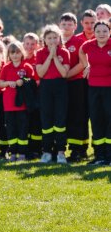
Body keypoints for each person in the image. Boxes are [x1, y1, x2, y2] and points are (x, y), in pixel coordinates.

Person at [36, 24, 70, 164]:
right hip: (45, 88)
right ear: (44, 40)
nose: (52, 40)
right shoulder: (40, 53)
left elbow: (64, 73)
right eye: (49, 38)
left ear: (59, 38)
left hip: (60, 87)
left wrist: (55, 56)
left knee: (60, 121)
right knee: (46, 120)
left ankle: (61, 152)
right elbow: (40, 73)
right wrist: (49, 56)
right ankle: (47, 152)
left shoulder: (65, 52)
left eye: (55, 37)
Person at [79, 20, 111, 165]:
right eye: (98, 31)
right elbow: (81, 51)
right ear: (94, 32)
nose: (101, 34)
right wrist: (86, 66)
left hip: (109, 88)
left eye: (105, 31)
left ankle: (109, 156)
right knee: (96, 120)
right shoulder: (89, 45)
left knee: (109, 120)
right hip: (93, 88)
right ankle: (100, 156)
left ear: (109, 32)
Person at [0, 41, 36, 161]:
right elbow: (0, 83)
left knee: (23, 129)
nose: (15, 55)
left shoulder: (27, 67)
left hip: (23, 105)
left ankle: (22, 153)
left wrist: (23, 80)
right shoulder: (6, 67)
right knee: (11, 129)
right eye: (12, 53)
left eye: (17, 52)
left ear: (22, 53)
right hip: (9, 105)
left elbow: (32, 81)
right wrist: (8, 83)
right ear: (8, 54)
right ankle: (13, 152)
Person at [59, 12, 89, 162]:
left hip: (75, 82)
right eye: (63, 24)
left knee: (76, 115)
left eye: (70, 24)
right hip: (59, 85)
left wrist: (67, 74)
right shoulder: (55, 41)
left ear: (75, 26)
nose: (66, 27)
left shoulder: (78, 42)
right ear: (59, 25)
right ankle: (61, 148)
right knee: (63, 116)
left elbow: (83, 64)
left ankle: (77, 150)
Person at [23, 32, 42, 158]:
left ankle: (36, 148)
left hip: (38, 94)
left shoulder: (39, 59)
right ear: (23, 44)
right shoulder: (20, 58)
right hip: (24, 95)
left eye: (33, 44)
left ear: (38, 45)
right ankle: (26, 148)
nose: (30, 47)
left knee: (37, 122)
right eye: (27, 44)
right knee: (25, 122)